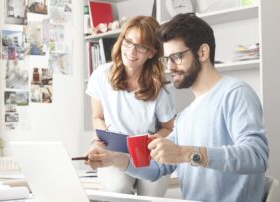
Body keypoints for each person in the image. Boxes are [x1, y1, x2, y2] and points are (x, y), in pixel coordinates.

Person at [85, 13, 269, 202]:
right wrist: (112, 159)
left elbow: (256, 156)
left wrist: (183, 153)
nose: (170, 67)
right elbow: (157, 168)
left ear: (202, 53)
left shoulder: (235, 93)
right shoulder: (185, 117)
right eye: (167, 59)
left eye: (177, 57)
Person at [85, 16, 175, 196]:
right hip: (113, 148)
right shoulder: (101, 75)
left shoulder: (160, 85)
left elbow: (168, 128)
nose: (132, 51)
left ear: (151, 52)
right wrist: (103, 136)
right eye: (128, 42)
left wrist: (151, 141)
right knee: (117, 189)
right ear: (122, 41)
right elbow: (97, 117)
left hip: (148, 152)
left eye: (141, 47)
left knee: (152, 193)